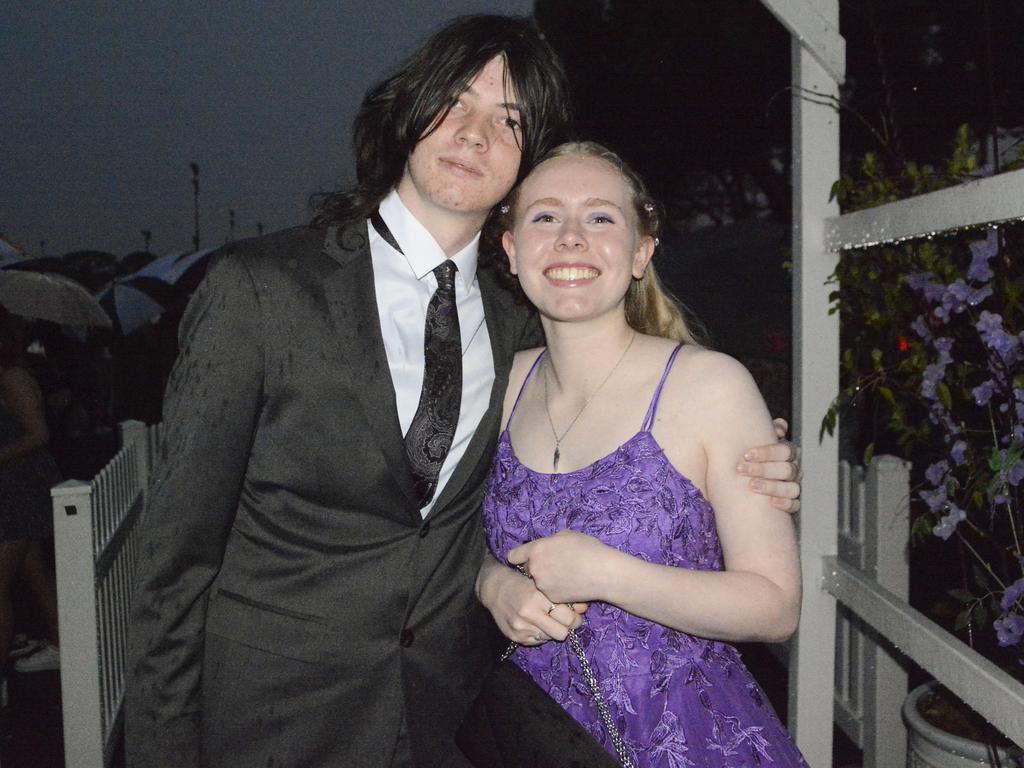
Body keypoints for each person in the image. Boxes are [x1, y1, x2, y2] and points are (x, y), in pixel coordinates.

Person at [126, 15, 800, 768]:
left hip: (448, 719)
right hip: (272, 722)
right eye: (455, 101)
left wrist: (750, 459)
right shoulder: (261, 290)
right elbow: (175, 561)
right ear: (407, 113)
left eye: (508, 120)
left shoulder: (521, 325)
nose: (476, 133)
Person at [476, 141, 807, 766]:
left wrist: (608, 575)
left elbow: (776, 606)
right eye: (545, 216)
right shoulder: (496, 386)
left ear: (640, 253)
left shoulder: (711, 386)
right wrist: (493, 583)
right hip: (529, 733)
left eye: (600, 217)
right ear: (512, 251)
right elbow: (436, 535)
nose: (571, 237)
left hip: (685, 739)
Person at [0, 310, 62, 674]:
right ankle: (63, 644)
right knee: (36, 576)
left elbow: (39, 434)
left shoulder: (12, 375)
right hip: (14, 485)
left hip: (19, 487)